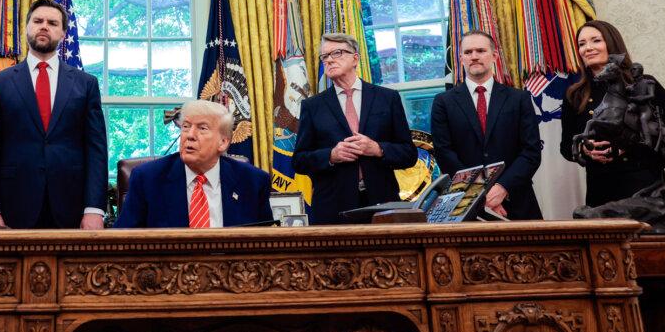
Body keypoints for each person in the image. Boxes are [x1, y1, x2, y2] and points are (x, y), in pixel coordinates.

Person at [0, 0, 108, 229]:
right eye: (38, 21)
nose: (44, 26)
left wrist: (94, 208)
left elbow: (96, 149)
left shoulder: (86, 84)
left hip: (72, 207)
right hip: (12, 207)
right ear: (27, 28)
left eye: (52, 23)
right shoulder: (0, 83)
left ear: (64, 33)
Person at [560, 19, 665, 207]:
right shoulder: (574, 94)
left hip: (646, 185)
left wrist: (634, 142)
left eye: (596, 40)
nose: (587, 48)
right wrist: (585, 150)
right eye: (581, 44)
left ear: (612, 44)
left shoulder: (643, 83)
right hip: (601, 191)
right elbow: (565, 148)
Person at [292, 33, 416, 224]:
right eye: (325, 56)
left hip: (382, 204)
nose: (330, 60)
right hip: (333, 209)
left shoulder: (387, 98)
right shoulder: (313, 106)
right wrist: (331, 155)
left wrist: (378, 149)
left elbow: (409, 154)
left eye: (337, 53)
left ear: (355, 58)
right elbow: (299, 160)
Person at [430, 31, 543, 220]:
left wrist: (502, 188)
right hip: (465, 206)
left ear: (494, 56)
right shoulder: (443, 102)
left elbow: (531, 152)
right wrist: (479, 193)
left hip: (517, 201)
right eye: (468, 52)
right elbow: (443, 152)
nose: (474, 56)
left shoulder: (519, 98)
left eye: (481, 50)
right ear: (461, 58)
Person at [115, 99, 272, 228]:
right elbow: (122, 243)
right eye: (186, 127)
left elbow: (266, 247)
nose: (190, 135)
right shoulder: (148, 179)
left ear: (223, 143)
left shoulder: (253, 182)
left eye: (202, 128)